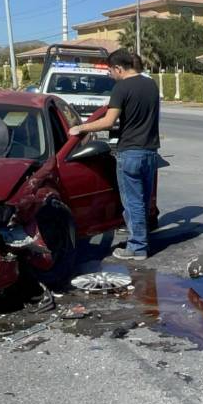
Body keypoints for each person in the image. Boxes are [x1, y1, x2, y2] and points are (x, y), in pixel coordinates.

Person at [70, 49, 160, 260]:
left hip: (130, 152)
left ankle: (137, 248)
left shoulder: (121, 88)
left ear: (119, 68)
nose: (110, 75)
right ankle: (142, 240)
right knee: (143, 201)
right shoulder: (151, 84)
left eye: (110, 71)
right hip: (150, 152)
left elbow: (109, 121)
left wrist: (82, 128)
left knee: (132, 202)